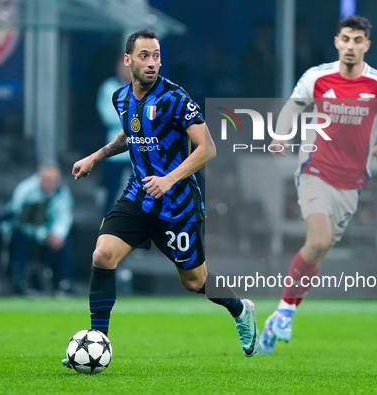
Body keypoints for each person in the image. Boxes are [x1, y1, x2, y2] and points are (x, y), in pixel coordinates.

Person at [66, 29, 258, 360]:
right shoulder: (121, 98)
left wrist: (169, 179)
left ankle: (240, 309)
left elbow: (208, 148)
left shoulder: (175, 99)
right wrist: (95, 157)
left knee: (195, 282)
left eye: (156, 55)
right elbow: (132, 134)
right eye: (144, 56)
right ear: (128, 60)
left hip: (177, 204)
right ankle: (97, 343)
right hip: (139, 196)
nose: (152, 62)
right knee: (102, 255)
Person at [259, 15, 377, 353]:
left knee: (320, 249)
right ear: (337, 41)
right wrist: (281, 137)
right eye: (345, 39)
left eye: (358, 41)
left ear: (366, 45)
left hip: (351, 183)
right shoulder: (317, 76)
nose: (351, 46)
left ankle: (283, 314)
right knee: (319, 239)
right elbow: (291, 108)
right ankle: (284, 310)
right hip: (315, 171)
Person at [2, 164, 74, 295]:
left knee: (65, 243)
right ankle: (18, 283)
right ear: (40, 179)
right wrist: (44, 235)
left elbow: (64, 217)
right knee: (20, 241)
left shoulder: (63, 192)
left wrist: (57, 235)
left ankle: (63, 284)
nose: (50, 184)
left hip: (50, 235)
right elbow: (19, 219)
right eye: (47, 181)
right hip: (25, 232)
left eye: (54, 181)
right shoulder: (26, 190)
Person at [97, 56, 133, 213]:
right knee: (112, 191)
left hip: (139, 150)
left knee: (144, 192)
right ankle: (106, 225)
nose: (126, 71)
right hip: (115, 151)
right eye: (123, 67)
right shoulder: (108, 88)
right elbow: (108, 117)